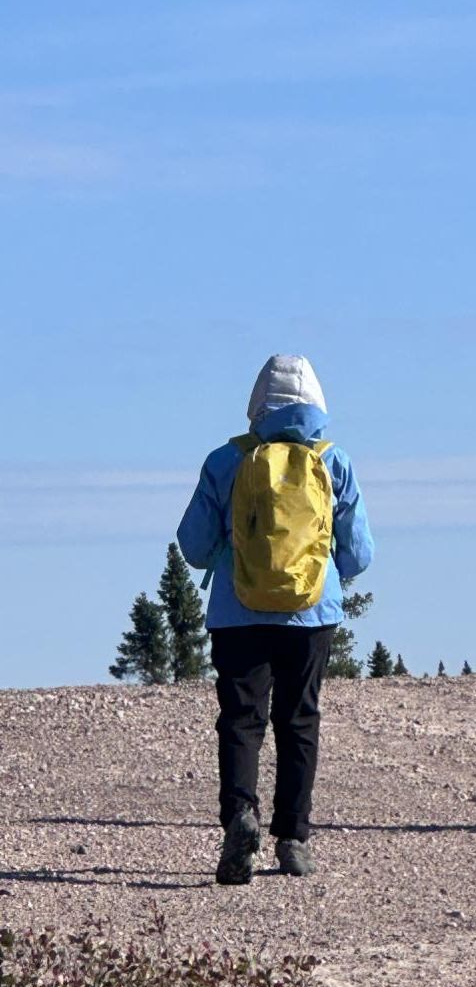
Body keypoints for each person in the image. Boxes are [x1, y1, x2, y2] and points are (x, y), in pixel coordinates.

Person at [178, 354, 374, 883]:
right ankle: (293, 838)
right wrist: (324, 572)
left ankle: (240, 816)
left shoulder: (226, 460)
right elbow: (359, 555)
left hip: (237, 613)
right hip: (311, 613)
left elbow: (193, 547)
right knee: (298, 719)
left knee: (242, 720)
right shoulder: (334, 462)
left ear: (257, 404)